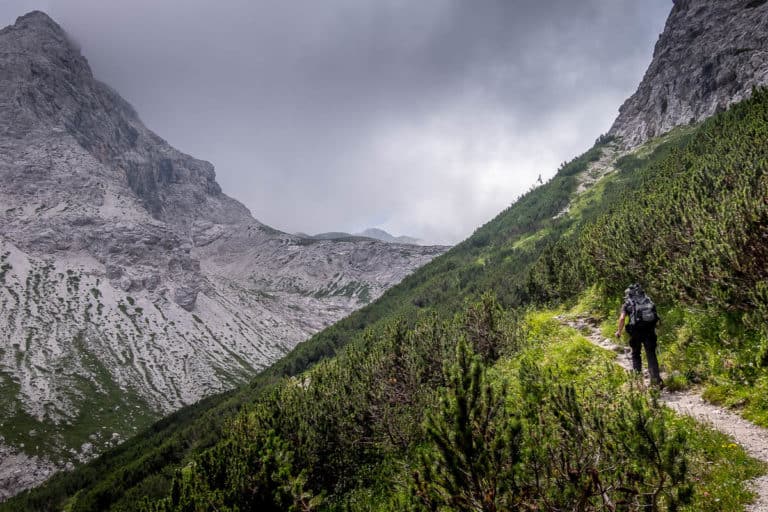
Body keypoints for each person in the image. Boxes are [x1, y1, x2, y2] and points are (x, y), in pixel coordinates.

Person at [615, 283, 662, 386]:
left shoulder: (627, 303)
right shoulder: (648, 300)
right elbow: (656, 316)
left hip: (636, 332)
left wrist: (619, 331)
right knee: (651, 354)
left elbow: (622, 318)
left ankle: (638, 382)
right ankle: (656, 381)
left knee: (636, 354)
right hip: (649, 331)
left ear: (628, 294)